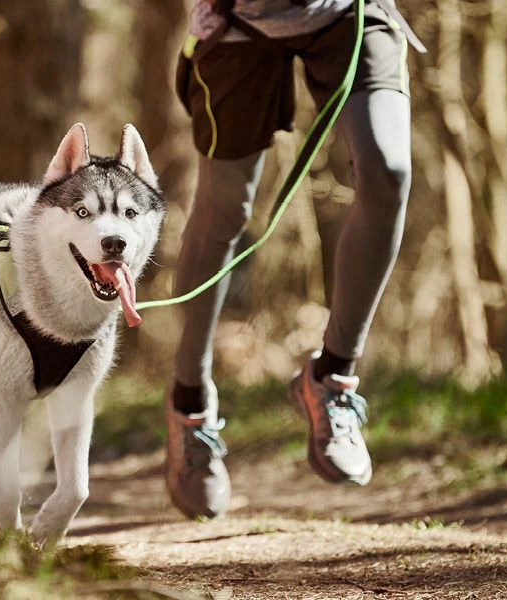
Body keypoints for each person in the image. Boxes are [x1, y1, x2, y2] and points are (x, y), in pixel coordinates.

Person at [165, 0, 426, 519]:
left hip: (346, 11)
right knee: (224, 210)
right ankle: (189, 407)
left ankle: (332, 379)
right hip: (236, 21)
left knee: (388, 171)